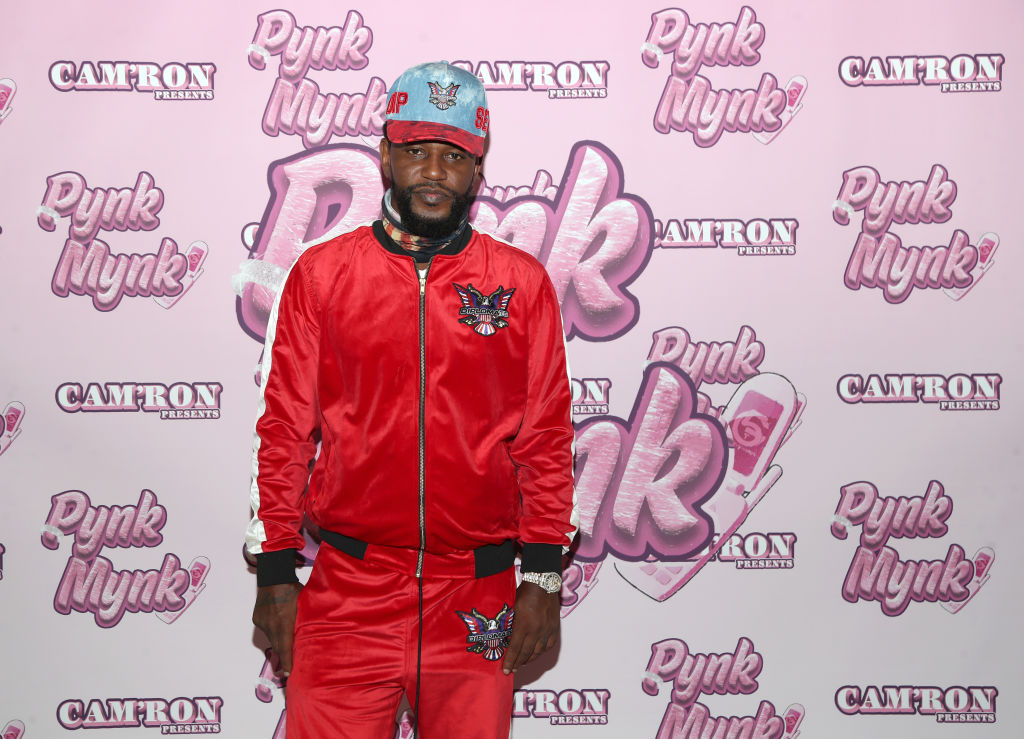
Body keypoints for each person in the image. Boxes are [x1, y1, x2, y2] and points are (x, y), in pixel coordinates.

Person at [246, 60, 577, 738]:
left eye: (453, 156)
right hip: (348, 591)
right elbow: (284, 430)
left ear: (477, 170)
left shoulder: (521, 283)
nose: (433, 171)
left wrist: (543, 577)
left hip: (476, 594)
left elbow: (545, 438)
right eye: (416, 150)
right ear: (385, 156)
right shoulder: (321, 275)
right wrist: (276, 572)